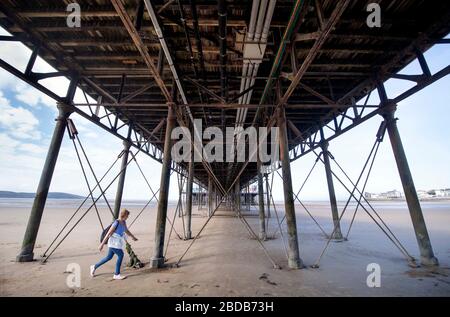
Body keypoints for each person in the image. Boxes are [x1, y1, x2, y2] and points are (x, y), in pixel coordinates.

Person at [90, 209, 138, 280]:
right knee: (121, 255)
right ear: (123, 215)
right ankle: (116, 274)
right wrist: (102, 244)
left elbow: (126, 230)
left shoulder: (124, 222)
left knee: (108, 257)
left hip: (117, 242)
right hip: (113, 242)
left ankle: (94, 266)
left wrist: (133, 237)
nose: (128, 217)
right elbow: (108, 234)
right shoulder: (116, 222)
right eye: (127, 216)